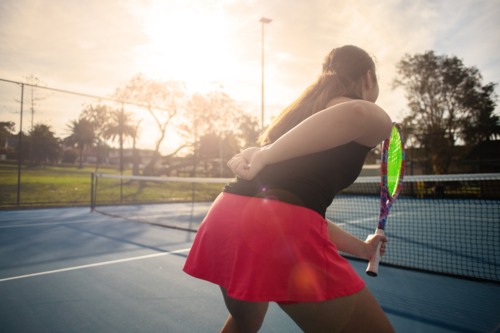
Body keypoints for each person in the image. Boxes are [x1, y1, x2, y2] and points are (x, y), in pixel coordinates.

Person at [183, 45, 395, 333]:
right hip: (278, 227)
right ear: (368, 77)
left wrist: (363, 248)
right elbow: (357, 111)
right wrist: (266, 153)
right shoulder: (374, 117)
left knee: (245, 323)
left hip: (226, 215)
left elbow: (290, 206)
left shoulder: (294, 119)